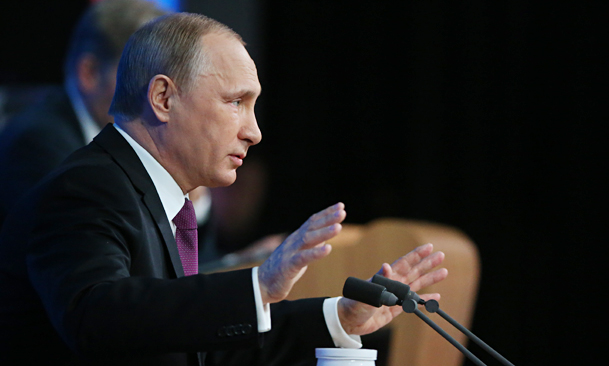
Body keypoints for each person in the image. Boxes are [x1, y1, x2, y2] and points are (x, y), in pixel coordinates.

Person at [0, 12, 448, 366]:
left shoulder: (155, 199)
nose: (253, 132)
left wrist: (338, 317)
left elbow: (195, 345)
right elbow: (96, 318)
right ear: (163, 99)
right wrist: (261, 283)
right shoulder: (89, 187)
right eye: (236, 102)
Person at [0, 0, 166, 226]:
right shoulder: (36, 143)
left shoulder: (127, 138)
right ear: (89, 73)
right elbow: (93, 239)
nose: (156, 97)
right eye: (142, 75)